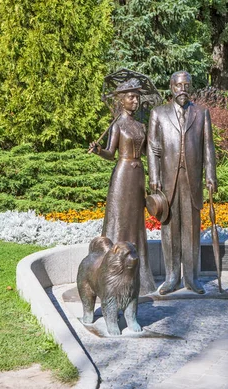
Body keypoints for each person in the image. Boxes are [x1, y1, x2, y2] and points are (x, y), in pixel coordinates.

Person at [147, 71, 217, 295]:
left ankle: (191, 278)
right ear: (171, 87)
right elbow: (152, 149)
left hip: (192, 182)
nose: (182, 90)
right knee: (169, 230)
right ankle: (171, 277)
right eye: (178, 86)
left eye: (186, 85)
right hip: (167, 182)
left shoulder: (201, 113)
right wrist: (154, 176)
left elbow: (208, 147)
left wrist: (211, 175)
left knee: (192, 230)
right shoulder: (158, 113)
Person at [89, 78, 156, 294]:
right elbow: (111, 153)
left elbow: (147, 152)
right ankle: (113, 273)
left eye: (137, 97)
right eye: (131, 97)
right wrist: (99, 150)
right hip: (122, 174)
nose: (135, 100)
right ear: (122, 100)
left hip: (138, 177)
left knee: (136, 223)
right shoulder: (117, 124)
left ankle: (140, 277)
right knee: (119, 220)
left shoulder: (141, 126)